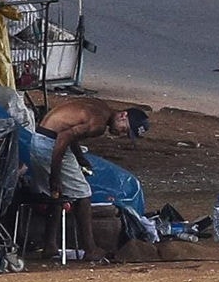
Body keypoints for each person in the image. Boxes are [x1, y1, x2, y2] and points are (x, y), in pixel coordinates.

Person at [35, 96, 149, 263]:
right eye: (125, 129)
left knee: (57, 196)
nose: (121, 134)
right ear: (123, 115)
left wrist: (81, 158)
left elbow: (70, 133)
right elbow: (63, 138)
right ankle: (90, 249)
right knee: (83, 194)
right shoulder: (99, 124)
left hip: (39, 139)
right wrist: (55, 175)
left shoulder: (101, 107)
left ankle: (50, 246)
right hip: (51, 144)